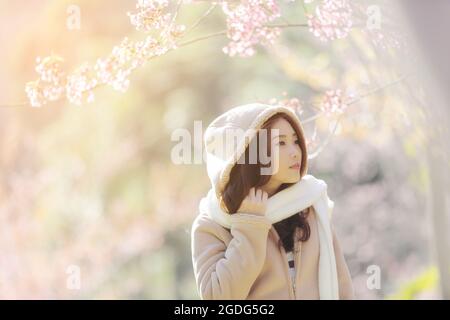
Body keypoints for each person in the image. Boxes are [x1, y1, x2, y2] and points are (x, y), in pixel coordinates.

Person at [190, 103, 355, 300]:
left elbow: (342, 285)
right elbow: (219, 298)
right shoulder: (212, 224)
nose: (296, 152)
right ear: (250, 153)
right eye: (281, 143)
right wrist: (249, 227)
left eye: (296, 141)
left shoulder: (310, 205)